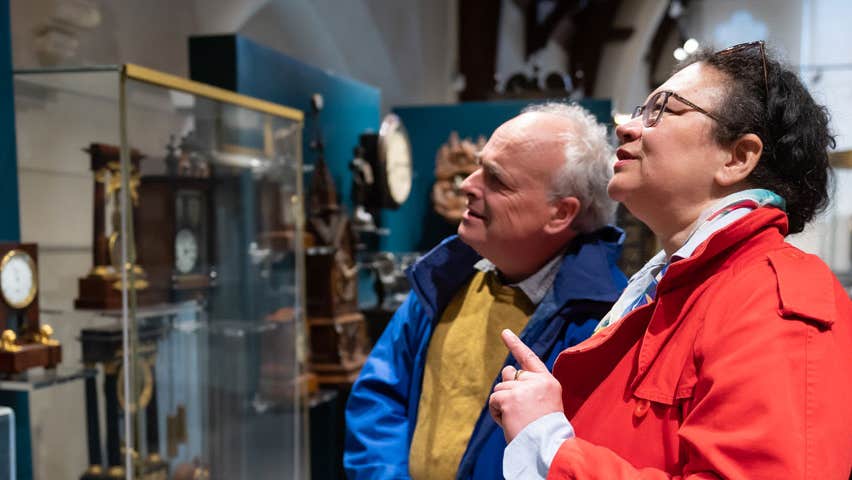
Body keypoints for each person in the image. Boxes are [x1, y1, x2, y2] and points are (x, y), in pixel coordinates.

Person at [489, 41, 852, 479]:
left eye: (662, 110)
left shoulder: (773, 299)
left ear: (737, 157)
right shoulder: (682, 287)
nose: (626, 128)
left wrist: (547, 443)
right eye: (638, 110)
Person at [344, 103, 628, 480]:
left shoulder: (607, 323)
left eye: (497, 180)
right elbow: (380, 396)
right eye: (480, 165)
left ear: (560, 213)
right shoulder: (446, 279)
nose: (467, 184)